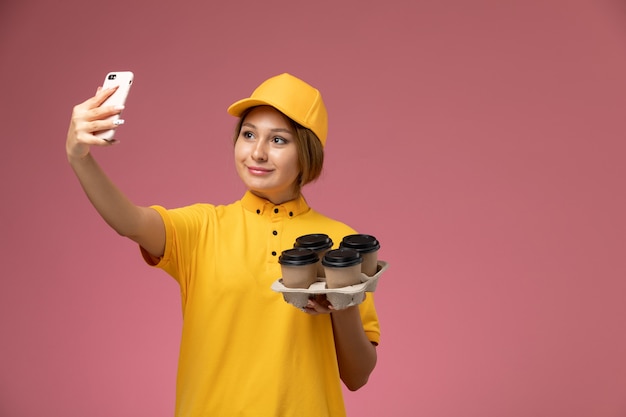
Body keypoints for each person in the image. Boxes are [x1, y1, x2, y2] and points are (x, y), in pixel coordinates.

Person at [66, 72, 380, 416]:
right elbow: (129, 222)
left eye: (278, 140)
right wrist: (79, 158)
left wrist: (343, 303)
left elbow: (357, 375)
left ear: (307, 152)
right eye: (248, 135)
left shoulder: (341, 243)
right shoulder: (202, 228)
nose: (257, 153)